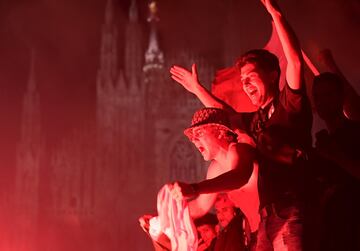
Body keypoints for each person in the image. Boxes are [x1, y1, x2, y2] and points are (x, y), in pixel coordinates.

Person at [170, 0, 312, 250]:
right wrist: (197, 89)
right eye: (243, 79)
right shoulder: (256, 120)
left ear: (272, 74)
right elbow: (225, 116)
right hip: (268, 216)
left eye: (251, 76)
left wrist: (276, 16)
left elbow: (296, 63)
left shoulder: (289, 106)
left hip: (292, 208)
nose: (245, 84)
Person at [312, 72, 360, 251]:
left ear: (341, 97)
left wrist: (336, 156)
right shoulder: (322, 144)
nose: (322, 102)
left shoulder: (356, 133)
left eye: (327, 95)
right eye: (317, 96)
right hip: (332, 231)